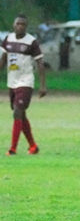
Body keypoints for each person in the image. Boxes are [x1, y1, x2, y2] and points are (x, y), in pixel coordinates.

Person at [1, 14, 47, 156]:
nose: (20, 26)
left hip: (26, 82)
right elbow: (3, 60)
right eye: (18, 24)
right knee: (21, 115)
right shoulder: (8, 39)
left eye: (23, 24)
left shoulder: (31, 42)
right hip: (12, 81)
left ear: (26, 27)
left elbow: (40, 64)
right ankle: (33, 146)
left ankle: (12, 149)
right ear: (14, 25)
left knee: (17, 112)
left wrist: (43, 85)